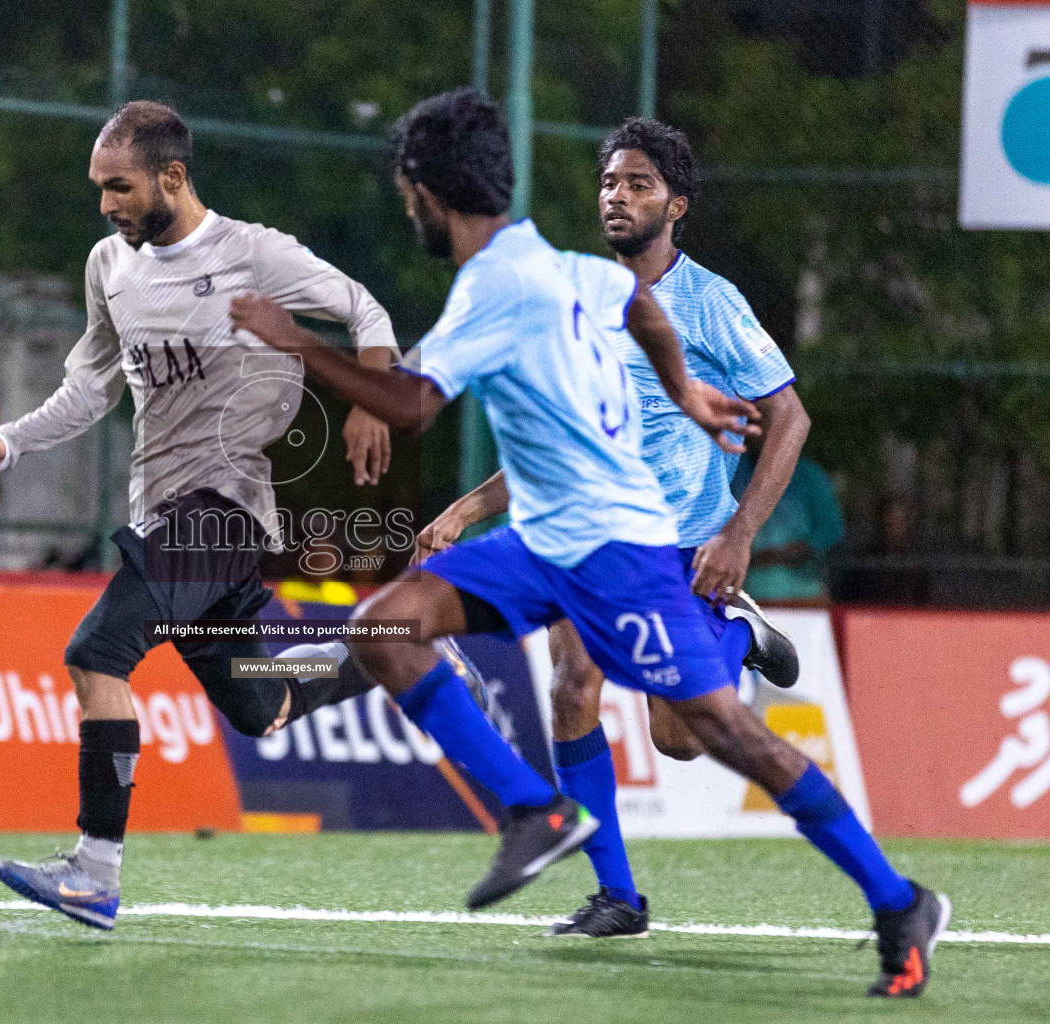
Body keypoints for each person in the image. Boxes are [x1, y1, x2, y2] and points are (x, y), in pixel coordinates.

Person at [231, 88, 947, 998]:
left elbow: (411, 406)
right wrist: (682, 391)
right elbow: (635, 320)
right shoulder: (567, 266)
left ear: (426, 192)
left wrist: (291, 335)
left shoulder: (499, 283)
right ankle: (546, 819)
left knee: (712, 737)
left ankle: (896, 899)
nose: (616, 196)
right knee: (391, 629)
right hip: (546, 539)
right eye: (609, 182)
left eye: (407, 192)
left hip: (622, 551)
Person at [0, 100, 413, 931]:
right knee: (261, 709)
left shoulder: (253, 253)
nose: (105, 205)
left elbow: (367, 313)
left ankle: (94, 873)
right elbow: (92, 387)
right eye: (99, 188)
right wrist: (10, 445)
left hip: (224, 514)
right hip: (170, 515)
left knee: (97, 652)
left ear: (172, 177)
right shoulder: (109, 266)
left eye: (119, 187)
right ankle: (392, 652)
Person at [416, 118, 810, 938]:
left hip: (681, 553)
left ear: (678, 204)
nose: (618, 197)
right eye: (609, 184)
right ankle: (618, 896)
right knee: (570, 691)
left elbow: (791, 417)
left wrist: (737, 535)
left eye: (637, 184)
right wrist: (464, 509)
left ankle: (737, 637)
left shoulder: (712, 304)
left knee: (680, 740)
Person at [737, 452, 845, 601]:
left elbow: (831, 529)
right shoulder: (734, 472)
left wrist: (795, 551)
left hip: (803, 593)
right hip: (744, 596)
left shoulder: (808, 474)